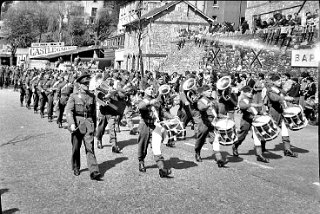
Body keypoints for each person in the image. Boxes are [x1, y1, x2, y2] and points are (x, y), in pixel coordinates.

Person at [65, 74, 102, 180]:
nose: (87, 85)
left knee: (90, 148)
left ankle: (94, 171)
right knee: (76, 148)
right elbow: (69, 111)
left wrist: (94, 127)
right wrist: (71, 124)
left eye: (88, 83)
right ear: (80, 85)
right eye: (84, 84)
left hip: (89, 123)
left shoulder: (92, 96)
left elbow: (93, 113)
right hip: (77, 124)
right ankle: (76, 166)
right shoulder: (74, 96)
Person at [137, 83, 173, 178]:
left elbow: (163, 111)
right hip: (145, 125)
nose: (151, 90)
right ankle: (141, 161)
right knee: (142, 145)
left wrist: (172, 117)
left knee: (156, 147)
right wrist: (150, 102)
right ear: (144, 90)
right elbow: (141, 106)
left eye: (152, 89)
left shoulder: (157, 100)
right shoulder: (143, 100)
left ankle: (162, 169)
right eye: (149, 89)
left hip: (155, 125)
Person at [232, 86, 269, 163]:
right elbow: (242, 106)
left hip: (255, 120)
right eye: (248, 92)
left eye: (250, 92)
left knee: (259, 135)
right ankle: (235, 146)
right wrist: (251, 105)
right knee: (242, 136)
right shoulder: (242, 99)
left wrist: (262, 112)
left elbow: (257, 109)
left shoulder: (253, 99)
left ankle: (259, 154)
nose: (250, 93)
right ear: (245, 93)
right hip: (246, 120)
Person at [195, 84, 228, 167]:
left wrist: (223, 116)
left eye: (211, 91)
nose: (210, 93)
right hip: (205, 122)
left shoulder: (213, 100)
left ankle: (219, 159)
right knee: (201, 139)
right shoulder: (201, 100)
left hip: (213, 122)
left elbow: (217, 112)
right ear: (204, 92)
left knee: (216, 139)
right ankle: (197, 152)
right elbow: (201, 108)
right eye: (208, 91)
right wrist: (207, 106)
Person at [266, 75, 298, 157]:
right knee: (270, 130)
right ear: (273, 82)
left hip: (282, 111)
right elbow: (275, 98)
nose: (280, 82)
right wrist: (286, 98)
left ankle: (287, 149)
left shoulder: (280, 90)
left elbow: (284, 97)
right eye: (278, 81)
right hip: (274, 112)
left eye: (280, 81)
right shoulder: (270, 90)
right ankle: (261, 144)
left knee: (285, 129)